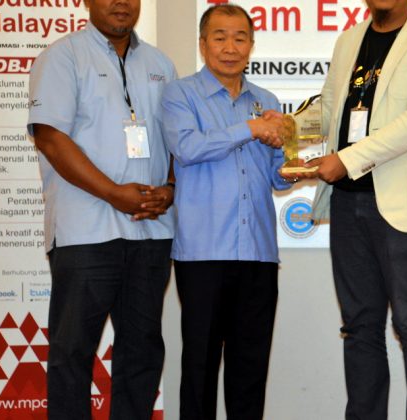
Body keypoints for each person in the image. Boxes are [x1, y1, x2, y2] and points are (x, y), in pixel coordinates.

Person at [282, 0, 407, 418]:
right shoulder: (349, 40)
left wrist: (347, 158)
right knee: (360, 327)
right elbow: (330, 109)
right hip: (347, 203)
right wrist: (288, 127)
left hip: (402, 209)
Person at [27, 0, 176, 418]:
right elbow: (50, 138)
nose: (121, 2)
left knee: (142, 354)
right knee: (73, 354)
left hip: (150, 232)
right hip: (86, 232)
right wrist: (113, 193)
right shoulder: (63, 56)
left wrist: (170, 188)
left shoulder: (161, 64)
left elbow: (178, 140)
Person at [159, 4, 289, 419]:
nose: (230, 47)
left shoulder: (267, 101)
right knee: (200, 367)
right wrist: (251, 129)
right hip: (203, 253)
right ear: (203, 44)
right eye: (220, 37)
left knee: (250, 369)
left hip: (258, 253)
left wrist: (290, 152)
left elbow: (279, 179)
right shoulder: (180, 95)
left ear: (251, 45)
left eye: (239, 38)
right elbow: (188, 148)